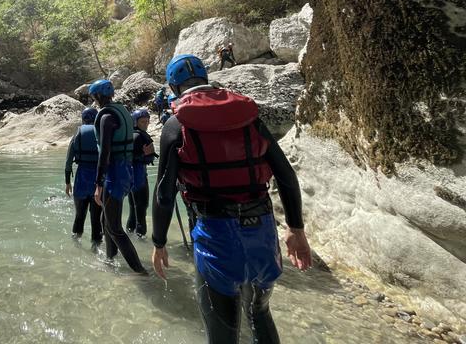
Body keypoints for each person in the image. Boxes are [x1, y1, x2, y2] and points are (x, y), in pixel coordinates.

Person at [151, 54, 312, 344]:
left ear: (174, 88)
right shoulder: (247, 118)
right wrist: (296, 229)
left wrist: (159, 242)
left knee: (223, 332)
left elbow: (164, 193)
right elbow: (286, 176)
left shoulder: (176, 125)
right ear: (206, 78)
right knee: (259, 313)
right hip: (262, 232)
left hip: (215, 237)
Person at [88, 78, 147, 274]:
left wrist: (98, 183)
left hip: (115, 173)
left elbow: (105, 152)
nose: (94, 100)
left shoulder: (106, 117)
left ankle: (140, 271)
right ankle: (110, 259)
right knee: (106, 220)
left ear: (98, 96)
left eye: (94, 96)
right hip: (124, 171)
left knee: (114, 227)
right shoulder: (120, 111)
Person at [64, 107, 103, 247]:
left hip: (81, 180)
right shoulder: (101, 133)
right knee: (96, 220)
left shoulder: (77, 134)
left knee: (79, 216)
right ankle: (96, 249)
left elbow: (68, 162)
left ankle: (75, 246)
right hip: (98, 180)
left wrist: (67, 182)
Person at [125, 108, 157, 237]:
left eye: (147, 121)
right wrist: (144, 155)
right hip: (139, 177)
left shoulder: (131, 135)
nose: (146, 124)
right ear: (135, 122)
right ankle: (141, 239)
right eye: (143, 122)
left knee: (133, 209)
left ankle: (130, 235)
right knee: (141, 208)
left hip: (131, 177)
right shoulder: (140, 136)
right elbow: (139, 157)